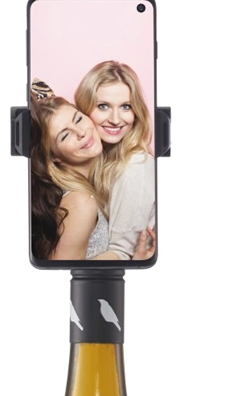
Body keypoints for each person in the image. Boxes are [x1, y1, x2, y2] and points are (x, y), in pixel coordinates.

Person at [30, 80, 154, 262]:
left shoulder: (93, 183)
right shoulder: (80, 202)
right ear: (54, 156)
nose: (80, 132)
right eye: (65, 135)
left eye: (78, 119)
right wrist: (134, 263)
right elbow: (61, 274)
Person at [74, 62, 156, 261]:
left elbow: (121, 253)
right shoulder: (96, 158)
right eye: (103, 106)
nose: (116, 119)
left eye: (126, 107)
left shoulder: (135, 166)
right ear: (84, 110)